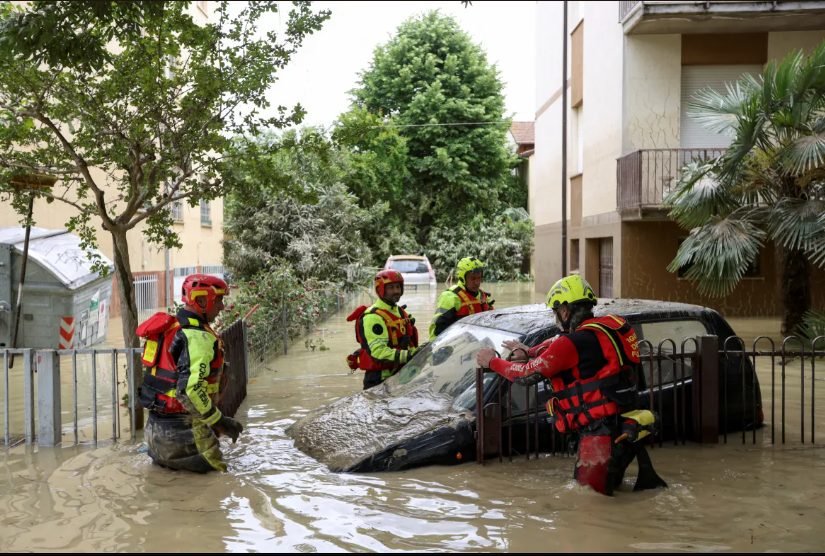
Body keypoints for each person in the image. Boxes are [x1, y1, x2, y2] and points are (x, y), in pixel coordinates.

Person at [475, 274, 667, 496]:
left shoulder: (572, 343)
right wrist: (529, 350)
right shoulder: (605, 330)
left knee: (589, 505)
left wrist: (492, 361)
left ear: (565, 311)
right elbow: (558, 345)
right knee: (608, 493)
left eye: (556, 312)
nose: (557, 318)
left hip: (599, 436)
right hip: (624, 426)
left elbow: (526, 375)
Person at [137, 273, 243, 473]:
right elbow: (189, 390)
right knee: (221, 484)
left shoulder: (169, 329)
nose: (222, 306)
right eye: (219, 299)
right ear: (201, 300)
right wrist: (220, 422)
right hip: (185, 436)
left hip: (154, 435)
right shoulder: (198, 338)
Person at [346, 269, 419, 390]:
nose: (396, 291)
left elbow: (409, 344)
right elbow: (378, 352)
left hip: (400, 376)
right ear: (381, 290)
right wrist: (409, 355)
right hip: (379, 379)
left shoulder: (400, 311)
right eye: (391, 288)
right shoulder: (372, 317)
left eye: (398, 287)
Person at [429, 257, 494, 341]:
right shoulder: (450, 297)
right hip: (457, 346)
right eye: (473, 278)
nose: (477, 282)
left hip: (478, 343)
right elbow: (436, 330)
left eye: (479, 278)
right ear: (462, 278)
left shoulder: (483, 296)